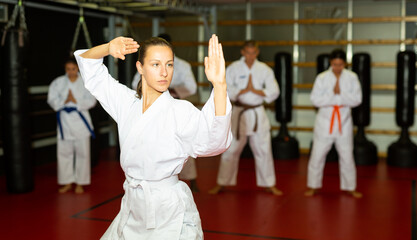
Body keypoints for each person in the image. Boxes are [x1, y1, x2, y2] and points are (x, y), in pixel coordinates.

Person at [74, 34, 232, 239]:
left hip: (168, 210)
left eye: (169, 64)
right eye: (156, 64)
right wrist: (108, 47)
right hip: (132, 206)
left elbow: (214, 141)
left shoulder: (180, 110)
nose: (164, 72)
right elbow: (89, 66)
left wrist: (220, 86)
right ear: (140, 67)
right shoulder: (126, 103)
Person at [209, 40, 282, 195]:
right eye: (247, 53)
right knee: (231, 149)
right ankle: (222, 183)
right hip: (238, 112)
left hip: (257, 112)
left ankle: (269, 184)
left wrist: (256, 90)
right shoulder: (234, 68)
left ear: (257, 52)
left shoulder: (264, 70)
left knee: (263, 149)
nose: (250, 56)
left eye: (253, 53)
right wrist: (243, 90)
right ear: (243, 52)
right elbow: (224, 87)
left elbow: (274, 91)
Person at [131, 33, 200, 192]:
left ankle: (192, 179)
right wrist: (154, 88)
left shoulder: (181, 64)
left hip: (174, 106)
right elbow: (136, 83)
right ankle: (150, 179)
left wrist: (170, 89)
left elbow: (192, 87)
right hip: (152, 108)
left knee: (182, 145)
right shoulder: (148, 62)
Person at [304, 49, 363, 198]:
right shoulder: (322, 78)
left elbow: (357, 99)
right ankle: (313, 186)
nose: (337, 67)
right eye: (335, 64)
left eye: (340, 64)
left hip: (344, 121)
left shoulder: (352, 77)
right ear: (331, 62)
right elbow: (315, 100)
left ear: (345, 63)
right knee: (317, 155)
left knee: (347, 156)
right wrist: (332, 94)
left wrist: (341, 94)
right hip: (325, 120)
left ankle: (350, 187)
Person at [47, 58, 97, 194]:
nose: (70, 72)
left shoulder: (86, 82)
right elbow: (51, 99)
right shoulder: (58, 83)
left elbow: (92, 101)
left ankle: (80, 182)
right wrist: (64, 101)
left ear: (78, 69)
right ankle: (67, 181)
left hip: (81, 122)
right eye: (68, 69)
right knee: (64, 153)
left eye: (73, 69)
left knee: (82, 154)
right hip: (65, 122)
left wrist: (75, 101)